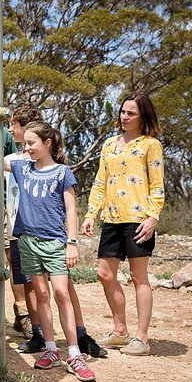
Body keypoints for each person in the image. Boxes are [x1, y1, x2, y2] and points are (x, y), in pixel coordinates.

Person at [7, 106, 106, 359]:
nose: (26, 147)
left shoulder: (61, 172)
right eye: (25, 142)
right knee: (38, 291)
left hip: (54, 239)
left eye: (31, 142)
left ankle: (76, 344)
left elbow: (71, 209)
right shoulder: (21, 165)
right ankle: (46, 343)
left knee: (62, 290)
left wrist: (71, 243)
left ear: (45, 141)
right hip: (25, 238)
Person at [81, 92, 164, 356]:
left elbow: (157, 185)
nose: (124, 117)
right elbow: (99, 182)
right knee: (104, 274)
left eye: (131, 113)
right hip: (112, 218)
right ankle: (120, 331)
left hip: (139, 219)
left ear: (143, 117)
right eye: (122, 112)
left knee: (139, 278)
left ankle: (142, 338)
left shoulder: (151, 145)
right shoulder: (109, 145)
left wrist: (153, 217)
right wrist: (90, 214)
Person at [2, 125, 32, 338]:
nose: (12, 128)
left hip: (18, 214)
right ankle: (23, 314)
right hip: (7, 213)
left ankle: (27, 315)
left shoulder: (5, 137)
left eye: (16, 123)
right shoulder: (13, 155)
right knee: (13, 261)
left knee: (18, 263)